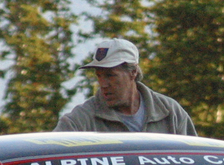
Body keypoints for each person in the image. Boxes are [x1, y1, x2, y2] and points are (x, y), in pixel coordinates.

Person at [53, 38, 197, 135]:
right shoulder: (81, 120)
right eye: (99, 76)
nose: (103, 84)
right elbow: (50, 155)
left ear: (133, 72)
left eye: (110, 75)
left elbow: (194, 164)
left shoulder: (169, 112)